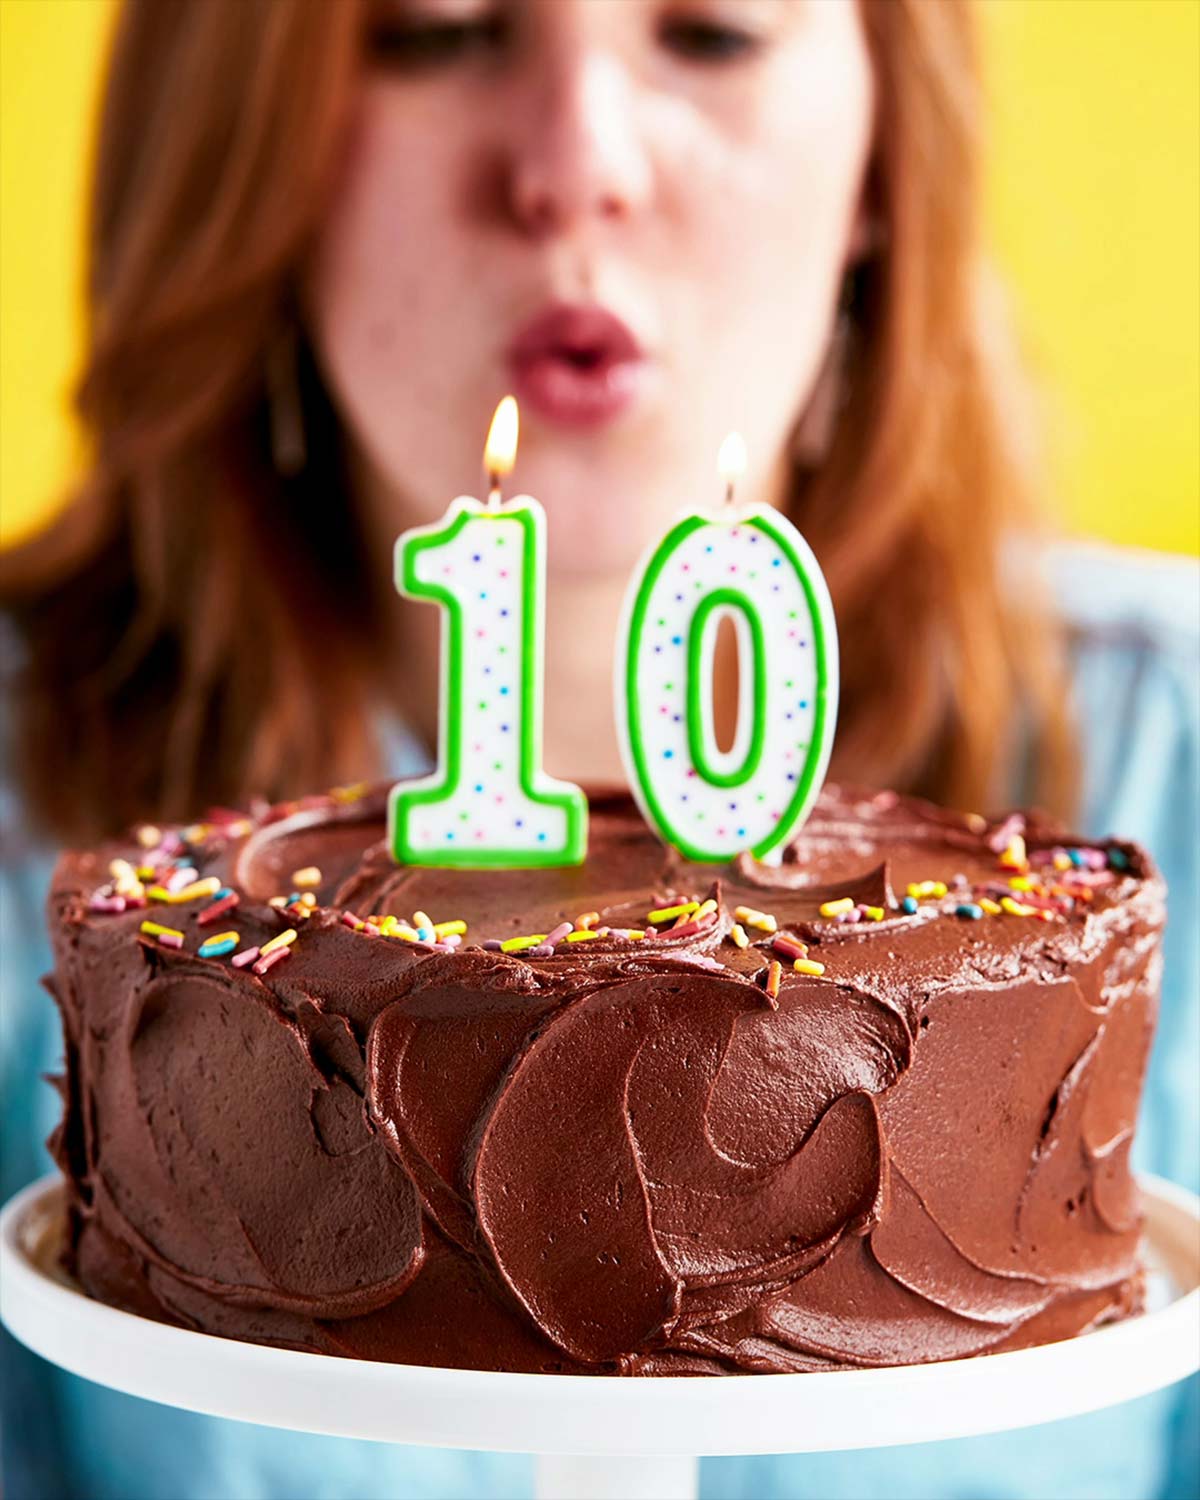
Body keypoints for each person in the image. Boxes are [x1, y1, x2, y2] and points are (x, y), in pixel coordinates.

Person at [1, 1, 1195, 1497]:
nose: (576, 161)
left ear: (888, 149)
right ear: (239, 143)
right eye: (436, 30)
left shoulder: (1174, 747)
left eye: (713, 30)